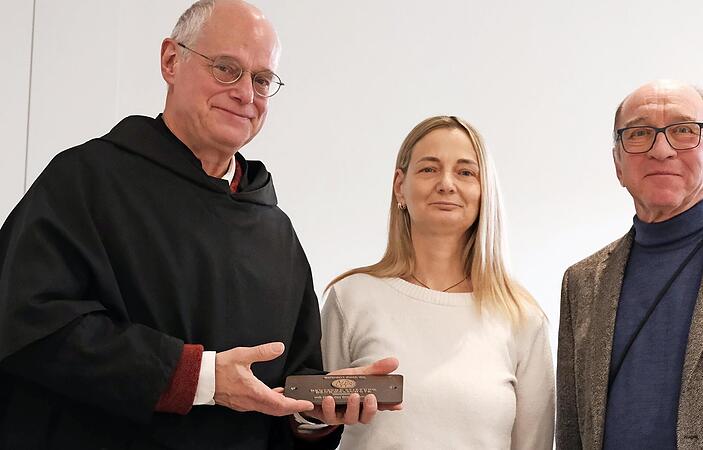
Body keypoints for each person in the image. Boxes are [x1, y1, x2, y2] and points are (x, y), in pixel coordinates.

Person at [0, 1, 397, 448]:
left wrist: (316, 412)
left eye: (262, 79)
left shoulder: (277, 233)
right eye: (226, 68)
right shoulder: (86, 180)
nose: (246, 93)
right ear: (171, 60)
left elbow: (292, 380)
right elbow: (26, 323)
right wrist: (196, 377)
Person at [556, 80, 703, 449]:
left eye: (684, 130)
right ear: (618, 164)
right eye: (639, 134)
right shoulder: (582, 282)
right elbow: (573, 428)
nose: (660, 149)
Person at [321, 115, 555, 449]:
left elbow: (535, 444)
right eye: (429, 169)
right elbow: (313, 426)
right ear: (399, 185)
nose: (446, 184)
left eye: (465, 172)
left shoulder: (522, 317)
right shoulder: (351, 298)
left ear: (484, 190)